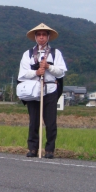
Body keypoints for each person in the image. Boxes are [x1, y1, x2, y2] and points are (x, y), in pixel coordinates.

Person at [17, 23, 67, 159]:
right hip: (33, 91)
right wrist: (36, 72)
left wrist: (49, 67)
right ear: (35, 37)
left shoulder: (56, 53)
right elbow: (22, 74)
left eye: (44, 35)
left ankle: (49, 150)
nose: (41, 38)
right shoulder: (27, 54)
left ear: (48, 37)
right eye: (38, 35)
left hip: (50, 90)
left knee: (50, 122)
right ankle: (32, 148)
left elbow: (61, 72)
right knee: (34, 121)